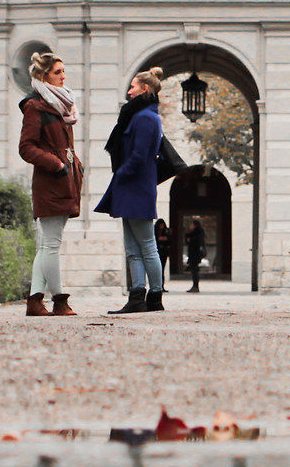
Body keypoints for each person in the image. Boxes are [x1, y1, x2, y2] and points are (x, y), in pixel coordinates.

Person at [94, 67, 166, 313]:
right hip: (132, 186)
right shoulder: (141, 115)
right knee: (133, 248)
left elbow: (139, 155)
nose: (129, 91)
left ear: (145, 89)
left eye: (133, 86)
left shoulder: (146, 117)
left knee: (146, 244)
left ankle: (155, 296)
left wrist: (121, 174)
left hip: (136, 186)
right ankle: (137, 296)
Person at [17, 51, 82, 317]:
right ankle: (59, 300)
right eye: (58, 72)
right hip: (51, 181)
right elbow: (26, 147)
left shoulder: (60, 104)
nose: (63, 76)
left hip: (64, 180)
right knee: (52, 244)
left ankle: (35, 300)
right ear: (44, 76)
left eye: (63, 71)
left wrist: (74, 165)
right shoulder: (36, 106)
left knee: (47, 244)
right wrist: (56, 165)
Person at [183, 217, 207, 292]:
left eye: (192, 225)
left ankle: (195, 286)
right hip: (194, 254)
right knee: (194, 270)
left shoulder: (196, 233)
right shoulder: (196, 233)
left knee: (194, 270)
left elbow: (192, 242)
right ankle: (195, 285)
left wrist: (189, 238)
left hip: (194, 254)